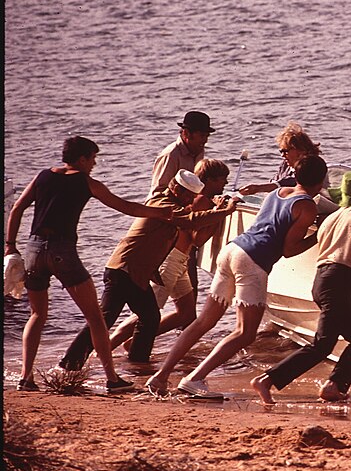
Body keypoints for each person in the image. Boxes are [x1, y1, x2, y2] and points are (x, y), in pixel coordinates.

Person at [145, 155, 328, 398]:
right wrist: (320, 233)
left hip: (233, 250)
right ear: (321, 181)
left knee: (204, 321)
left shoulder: (279, 192)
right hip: (253, 262)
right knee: (245, 332)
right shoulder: (307, 206)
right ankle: (195, 378)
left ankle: (161, 376)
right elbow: (289, 249)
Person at [4, 136, 172, 392]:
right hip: (62, 251)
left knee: (37, 314)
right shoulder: (86, 182)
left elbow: (16, 208)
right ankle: (112, 379)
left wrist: (10, 245)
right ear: (81, 159)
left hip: (34, 249)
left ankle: (26, 379)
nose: (94, 164)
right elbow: (124, 206)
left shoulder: (42, 176)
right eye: (92, 158)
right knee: (95, 316)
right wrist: (160, 212)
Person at [58, 169, 240, 371]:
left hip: (137, 275)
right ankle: (69, 364)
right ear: (175, 188)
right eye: (187, 194)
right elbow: (190, 220)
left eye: (192, 196)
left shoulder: (172, 205)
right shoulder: (163, 205)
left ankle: (137, 363)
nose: (189, 200)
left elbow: (189, 221)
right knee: (105, 319)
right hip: (123, 270)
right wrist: (225, 211)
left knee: (150, 317)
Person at [251, 171, 351, 404]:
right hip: (339, 280)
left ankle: (334, 386)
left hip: (322, 279)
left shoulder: (332, 217)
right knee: (322, 345)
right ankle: (267, 379)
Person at [107, 159, 232, 352]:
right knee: (146, 313)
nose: (225, 184)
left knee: (186, 313)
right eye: (222, 180)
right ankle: (107, 347)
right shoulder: (201, 201)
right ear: (209, 181)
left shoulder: (201, 200)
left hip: (180, 261)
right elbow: (197, 238)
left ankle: (134, 342)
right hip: (171, 261)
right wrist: (220, 214)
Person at [149, 110, 216, 307]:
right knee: (164, 288)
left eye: (206, 136)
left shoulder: (198, 152)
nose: (205, 140)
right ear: (186, 134)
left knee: (189, 290)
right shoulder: (171, 155)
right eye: (201, 136)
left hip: (187, 225)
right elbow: (157, 195)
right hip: (169, 228)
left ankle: (183, 332)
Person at [238, 121, 324, 196]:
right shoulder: (286, 165)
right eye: (281, 152)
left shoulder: (313, 165)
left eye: (285, 151)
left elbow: (295, 182)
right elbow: (277, 180)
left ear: (300, 149)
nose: (282, 155)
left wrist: (259, 188)